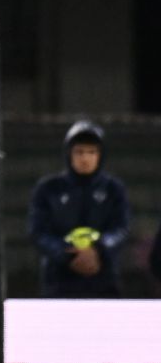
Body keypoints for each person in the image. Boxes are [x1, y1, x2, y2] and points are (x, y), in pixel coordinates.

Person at [29, 121, 131, 297]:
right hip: (58, 280)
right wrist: (65, 253)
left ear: (100, 155)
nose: (85, 158)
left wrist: (98, 250)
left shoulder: (114, 189)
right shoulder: (48, 188)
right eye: (79, 152)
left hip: (104, 279)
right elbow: (38, 232)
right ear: (69, 154)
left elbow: (122, 229)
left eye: (92, 152)